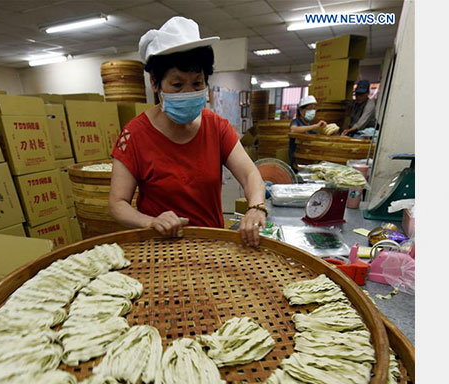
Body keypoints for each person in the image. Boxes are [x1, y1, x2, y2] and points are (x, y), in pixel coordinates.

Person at [109, 17, 267, 246]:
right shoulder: (134, 135)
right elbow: (117, 204)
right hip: (160, 250)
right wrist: (150, 222)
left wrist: (255, 206)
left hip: (212, 246)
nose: (188, 92)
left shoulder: (217, 128)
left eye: (197, 83)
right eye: (177, 85)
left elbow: (250, 175)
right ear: (155, 83)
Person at [288, 95, 326, 170]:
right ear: (301, 111)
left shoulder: (310, 124)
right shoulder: (296, 122)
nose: (312, 111)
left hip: (308, 161)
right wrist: (315, 126)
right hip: (297, 161)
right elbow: (293, 130)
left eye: (314, 109)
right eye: (309, 109)